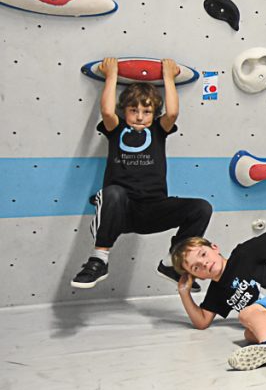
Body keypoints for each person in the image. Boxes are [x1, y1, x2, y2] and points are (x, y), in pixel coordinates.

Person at [70, 57, 212, 290]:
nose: (139, 116)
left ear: (154, 113)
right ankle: (99, 259)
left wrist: (168, 77)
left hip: (154, 209)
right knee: (113, 193)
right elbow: (106, 110)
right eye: (133, 110)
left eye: (146, 111)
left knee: (201, 208)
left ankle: (173, 264)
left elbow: (173, 113)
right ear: (124, 110)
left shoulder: (158, 130)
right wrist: (111, 75)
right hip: (122, 212)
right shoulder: (116, 129)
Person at [171, 224, 266, 371]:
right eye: (196, 267)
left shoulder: (243, 254)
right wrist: (184, 293)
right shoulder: (216, 292)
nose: (204, 263)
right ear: (198, 277)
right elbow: (202, 322)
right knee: (250, 334)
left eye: (203, 254)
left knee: (247, 314)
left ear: (214, 247)